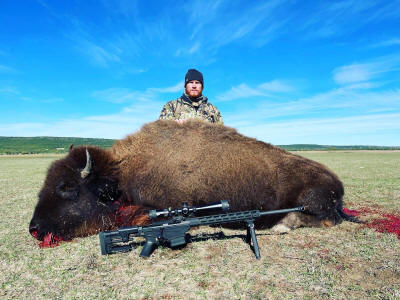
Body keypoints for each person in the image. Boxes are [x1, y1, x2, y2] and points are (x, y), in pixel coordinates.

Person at [159, 69, 223, 124]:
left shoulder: (213, 109)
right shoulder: (171, 106)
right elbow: (161, 127)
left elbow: (221, 132)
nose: (194, 86)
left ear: (202, 86)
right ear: (185, 86)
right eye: (191, 82)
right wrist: (173, 124)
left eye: (197, 82)